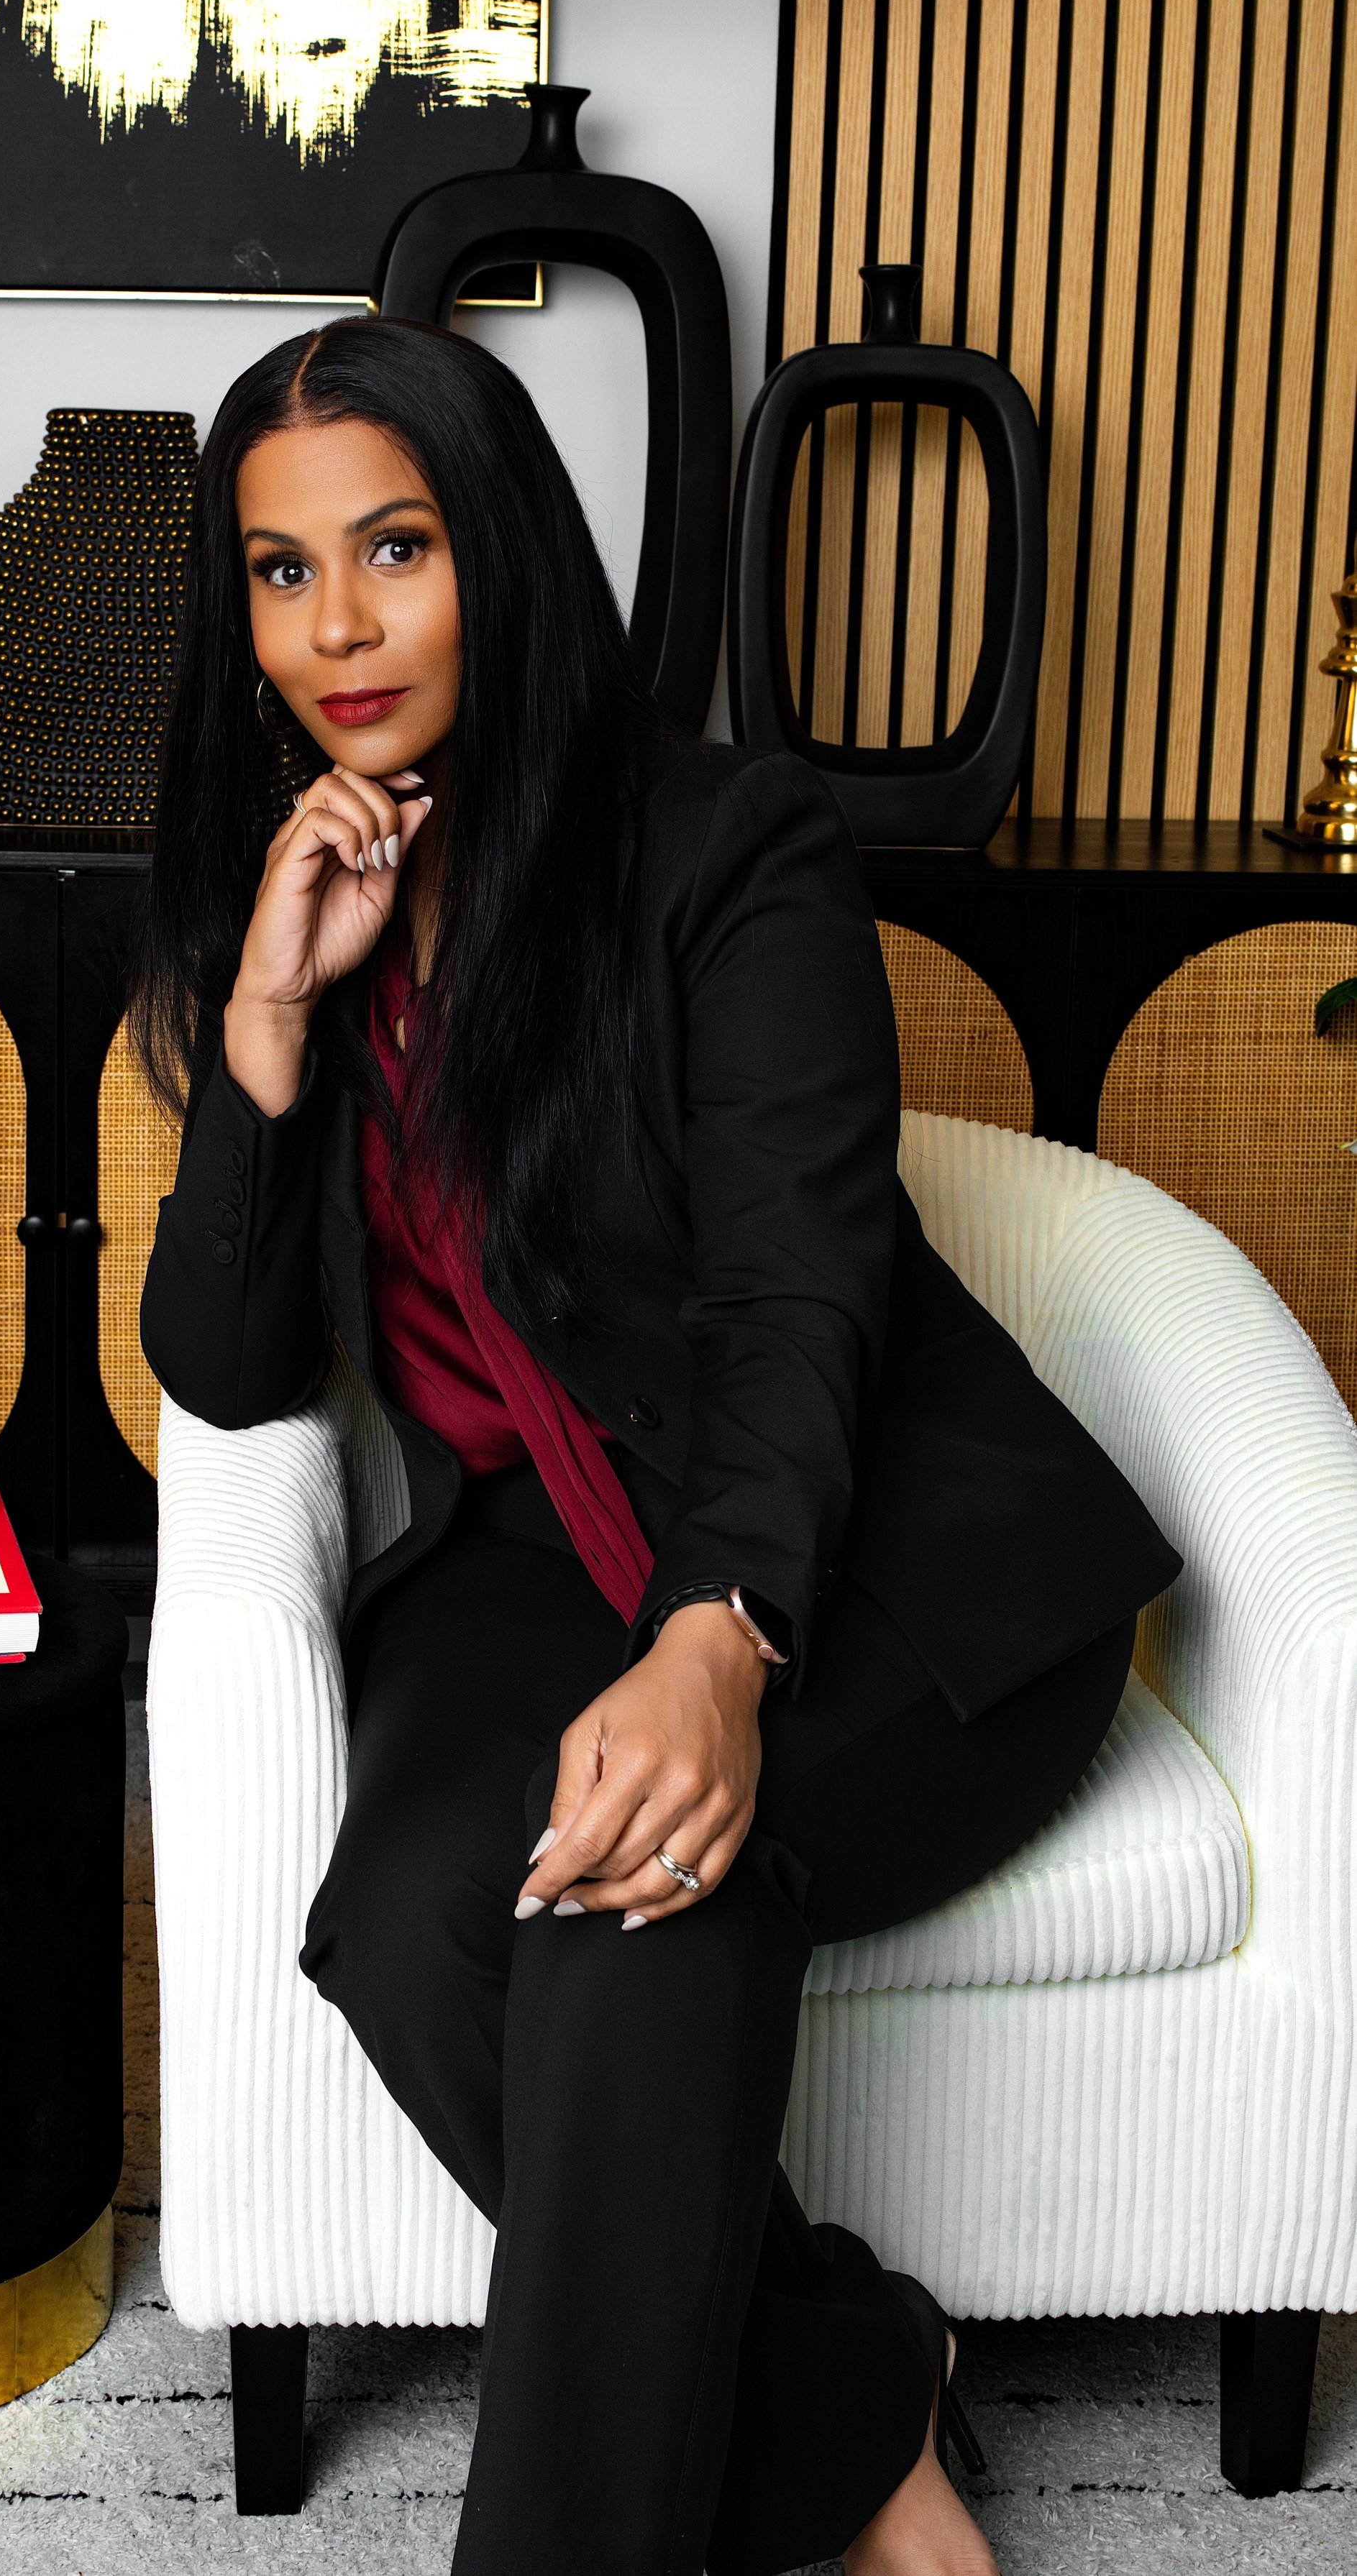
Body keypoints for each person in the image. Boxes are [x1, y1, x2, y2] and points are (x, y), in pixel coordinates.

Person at [133, 314, 1179, 2576]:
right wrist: (264, 1018)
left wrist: (720, 1634)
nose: (337, 625)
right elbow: (221, 1372)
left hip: (883, 1573)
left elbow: (800, 1291)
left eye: (392, 549)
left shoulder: (722, 845)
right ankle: (857, 2407)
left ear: (493, 550)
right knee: (410, 1920)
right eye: (281, 570)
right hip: (538, 1558)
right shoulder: (294, 895)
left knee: (619, 1910)